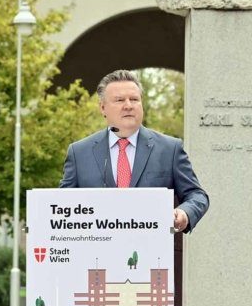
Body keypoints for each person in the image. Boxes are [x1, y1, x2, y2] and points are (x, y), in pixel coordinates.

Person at [59, 69, 209, 233]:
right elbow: (62, 206)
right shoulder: (79, 153)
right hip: (94, 252)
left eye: (134, 99)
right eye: (119, 100)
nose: (128, 105)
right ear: (103, 108)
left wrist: (184, 213)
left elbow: (197, 195)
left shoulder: (169, 149)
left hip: (151, 253)